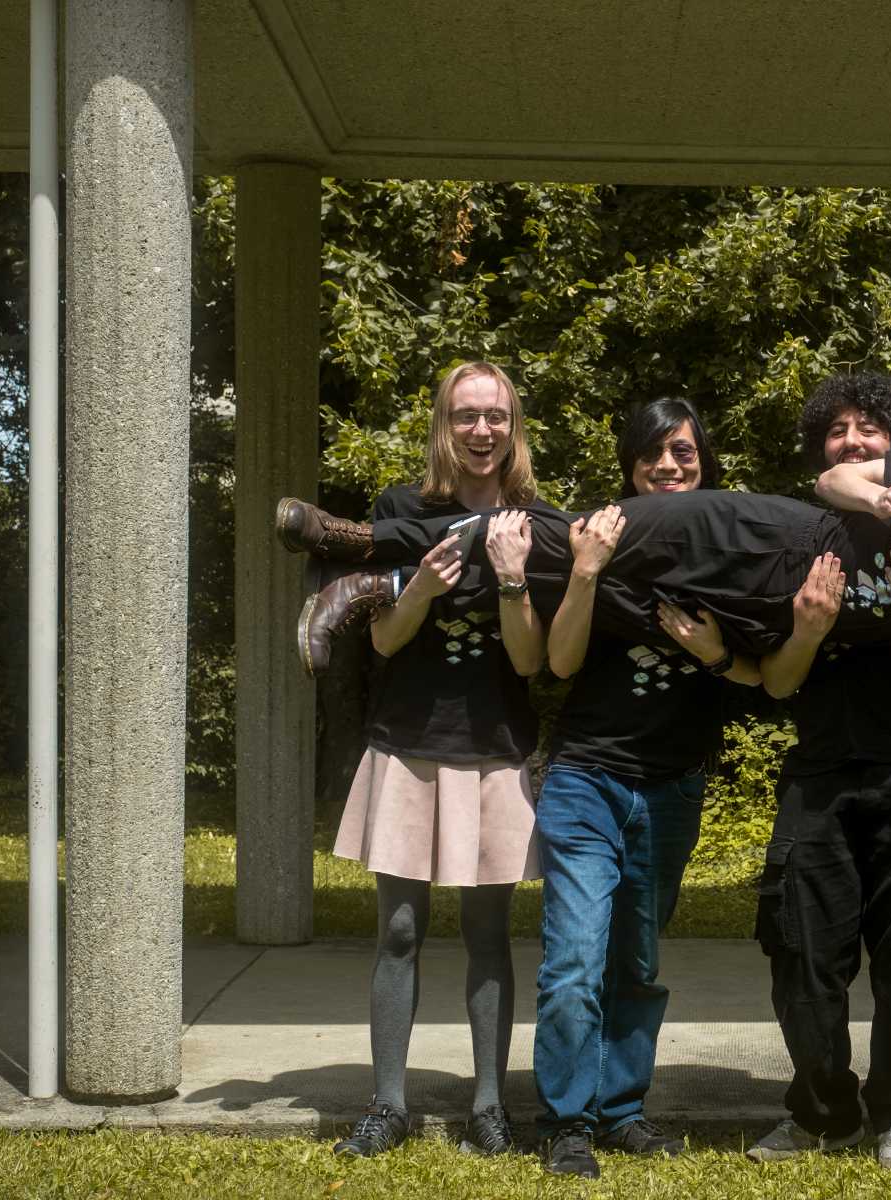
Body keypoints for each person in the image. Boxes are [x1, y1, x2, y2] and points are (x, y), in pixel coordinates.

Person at [743, 374, 891, 1169]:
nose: (852, 440)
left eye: (869, 428)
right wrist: (807, 632)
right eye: (837, 430)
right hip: (822, 769)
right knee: (801, 953)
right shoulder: (802, 539)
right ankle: (823, 1112)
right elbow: (777, 682)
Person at [533, 398, 764, 1179]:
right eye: (652, 454)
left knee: (635, 960)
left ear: (705, 462)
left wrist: (713, 651)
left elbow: (763, 675)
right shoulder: (597, 537)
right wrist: (586, 572)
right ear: (630, 467)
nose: (668, 465)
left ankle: (622, 1111)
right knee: (574, 960)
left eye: (683, 452)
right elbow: (559, 662)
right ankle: (568, 1122)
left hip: (672, 788)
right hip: (586, 779)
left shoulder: (732, 547)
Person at [328, 361, 551, 1161]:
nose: (481, 430)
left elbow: (529, 663)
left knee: (488, 933)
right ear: (443, 425)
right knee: (398, 930)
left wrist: (515, 580)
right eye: (466, 415)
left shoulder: (536, 524)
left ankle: (489, 1107)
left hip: (494, 748)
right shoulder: (400, 511)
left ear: (512, 427)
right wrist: (419, 589)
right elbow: (385, 641)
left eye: (495, 416)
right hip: (408, 744)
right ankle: (387, 1105)